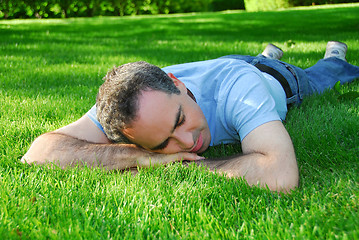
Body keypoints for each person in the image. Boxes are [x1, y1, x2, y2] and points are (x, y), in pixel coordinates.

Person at [21, 41, 359, 193]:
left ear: (176, 84)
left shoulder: (236, 88)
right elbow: (38, 153)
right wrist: (137, 156)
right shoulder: (130, 103)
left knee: (323, 77)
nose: (187, 142)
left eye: (179, 121)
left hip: (279, 79)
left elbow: (280, 175)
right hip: (229, 63)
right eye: (163, 143)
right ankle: (264, 51)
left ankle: (333, 56)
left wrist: (180, 164)